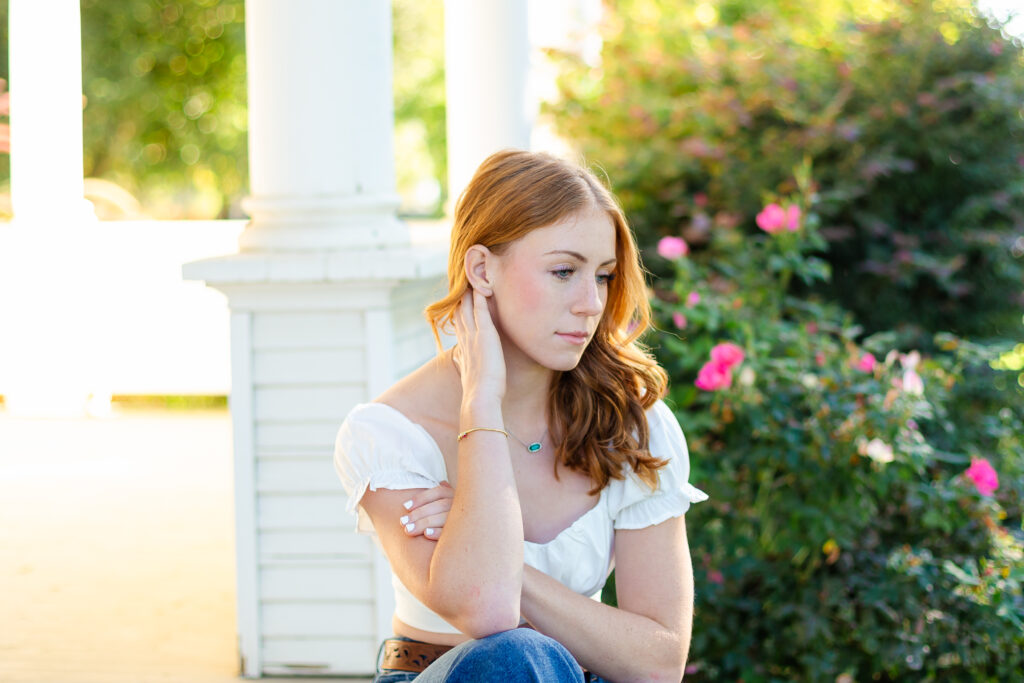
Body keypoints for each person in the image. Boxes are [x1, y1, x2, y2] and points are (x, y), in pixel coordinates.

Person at [334, 149, 708, 682]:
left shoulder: (629, 423)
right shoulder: (389, 433)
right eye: (563, 271)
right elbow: (487, 610)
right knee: (511, 658)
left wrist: (514, 569)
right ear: (483, 269)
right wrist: (481, 401)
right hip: (442, 674)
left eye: (602, 276)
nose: (590, 303)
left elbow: (657, 663)